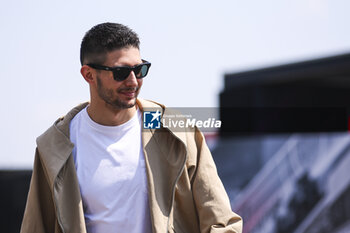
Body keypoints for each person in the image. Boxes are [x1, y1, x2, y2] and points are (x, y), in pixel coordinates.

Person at [20, 22, 242, 233]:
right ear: (88, 74)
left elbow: (221, 221)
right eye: (120, 72)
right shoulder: (56, 144)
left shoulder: (173, 131)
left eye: (140, 70)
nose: (133, 81)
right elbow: (36, 227)